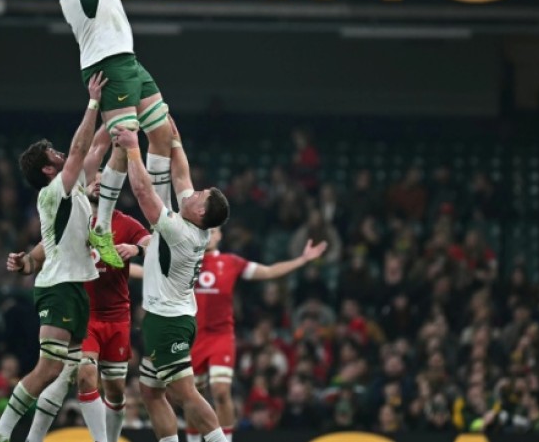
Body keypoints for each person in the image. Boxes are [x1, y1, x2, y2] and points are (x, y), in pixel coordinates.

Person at [51, 0, 192, 268]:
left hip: (127, 62)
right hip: (107, 64)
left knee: (162, 133)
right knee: (124, 141)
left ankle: (162, 218)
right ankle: (101, 225)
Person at [0, 73, 109, 442]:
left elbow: (96, 145)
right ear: (48, 170)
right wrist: (93, 103)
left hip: (73, 283)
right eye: (54, 153)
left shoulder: (71, 193)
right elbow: (80, 149)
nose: (62, 153)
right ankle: (1, 432)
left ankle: (31, 438)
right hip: (59, 287)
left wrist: (118, 110)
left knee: (69, 370)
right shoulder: (54, 190)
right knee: (49, 367)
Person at [112, 118, 230, 442]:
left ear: (201, 213)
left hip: (169, 321)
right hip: (170, 318)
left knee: (185, 394)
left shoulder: (180, 231)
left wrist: (134, 148)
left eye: (200, 196)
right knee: (150, 392)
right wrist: (175, 142)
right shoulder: (196, 223)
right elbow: (181, 175)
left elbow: (142, 191)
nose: (193, 194)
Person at [16, 171, 151, 442]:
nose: (100, 184)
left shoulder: (126, 224)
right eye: (94, 180)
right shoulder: (74, 221)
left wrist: (137, 250)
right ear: (85, 186)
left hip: (116, 317)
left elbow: (153, 244)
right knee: (84, 375)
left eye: (106, 180)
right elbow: (42, 251)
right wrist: (25, 263)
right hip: (82, 314)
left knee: (115, 391)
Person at [184, 227, 327, 442]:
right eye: (205, 231)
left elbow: (268, 271)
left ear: (221, 235)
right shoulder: (186, 262)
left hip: (221, 337)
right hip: (193, 338)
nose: (209, 235)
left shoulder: (231, 262)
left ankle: (226, 439)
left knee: (221, 392)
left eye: (213, 231)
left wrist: (302, 260)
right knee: (194, 397)